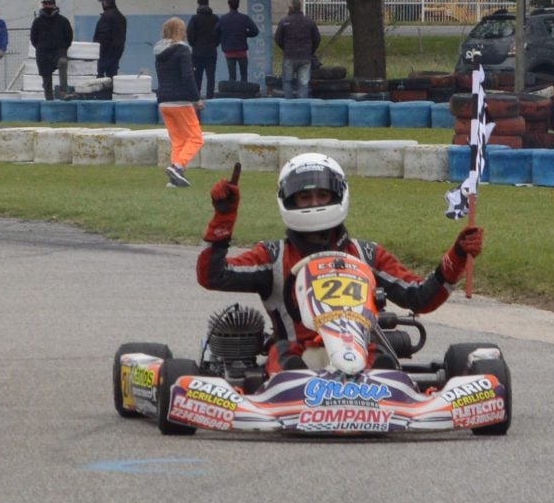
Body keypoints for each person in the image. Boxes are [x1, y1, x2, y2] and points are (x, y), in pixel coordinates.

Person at [196, 153, 485, 374]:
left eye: (322, 195)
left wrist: (457, 256)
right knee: (288, 358)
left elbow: (420, 297)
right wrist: (223, 218)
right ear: (289, 201)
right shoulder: (273, 256)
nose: (314, 203)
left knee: (383, 361)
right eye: (305, 197)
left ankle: (377, 386)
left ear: (338, 196)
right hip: (296, 357)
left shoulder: (366, 254)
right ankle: (302, 392)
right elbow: (213, 276)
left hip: (361, 354)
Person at [155, 17, 205, 188]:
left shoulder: (159, 52)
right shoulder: (183, 51)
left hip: (164, 102)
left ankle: (174, 179)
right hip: (180, 101)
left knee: (178, 141)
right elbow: (187, 76)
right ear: (180, 31)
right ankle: (177, 166)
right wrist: (196, 98)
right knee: (196, 138)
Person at [274, 0, 320, 99]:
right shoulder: (310, 22)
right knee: (303, 83)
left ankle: (289, 104)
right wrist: (311, 51)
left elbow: (277, 38)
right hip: (305, 56)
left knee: (287, 81)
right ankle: (302, 104)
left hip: (289, 56)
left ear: (291, 8)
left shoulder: (284, 22)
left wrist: (285, 48)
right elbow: (317, 39)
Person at [30, 0, 73, 101]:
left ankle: (63, 92)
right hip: (43, 52)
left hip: (58, 50)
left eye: (50, 4)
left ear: (54, 5)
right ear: (43, 5)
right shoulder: (37, 21)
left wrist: (63, 47)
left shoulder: (63, 20)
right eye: (46, 4)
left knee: (63, 62)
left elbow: (69, 36)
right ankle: (49, 100)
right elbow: (33, 38)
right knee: (46, 77)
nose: (48, 6)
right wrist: (40, 47)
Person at [214, 0, 259, 83]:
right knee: (244, 75)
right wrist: (245, 34)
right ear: (238, 5)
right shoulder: (244, 18)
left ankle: (232, 94)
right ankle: (245, 94)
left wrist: (223, 38)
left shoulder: (223, 19)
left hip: (229, 51)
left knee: (232, 76)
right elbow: (255, 31)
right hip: (242, 50)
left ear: (229, 5)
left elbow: (215, 32)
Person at [186, 0, 219, 99]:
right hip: (211, 52)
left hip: (197, 52)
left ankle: (197, 96)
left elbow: (189, 33)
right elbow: (219, 33)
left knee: (197, 75)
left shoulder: (195, 18)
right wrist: (215, 44)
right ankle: (210, 96)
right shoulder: (215, 18)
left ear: (198, 3)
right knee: (211, 76)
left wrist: (193, 44)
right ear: (208, 3)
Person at [93, 0, 127, 78]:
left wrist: (97, 51)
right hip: (117, 52)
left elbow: (103, 36)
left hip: (105, 52)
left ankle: (102, 92)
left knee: (99, 76)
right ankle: (110, 91)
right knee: (112, 76)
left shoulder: (106, 17)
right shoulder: (122, 17)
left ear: (105, 3)